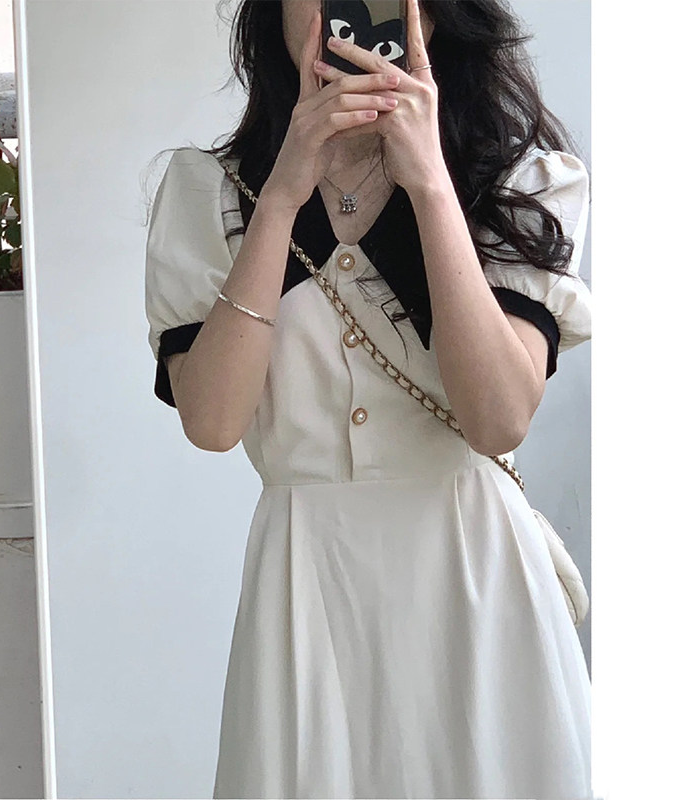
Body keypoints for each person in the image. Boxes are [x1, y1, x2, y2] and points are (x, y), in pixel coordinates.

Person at [144, 0, 593, 797]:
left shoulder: (516, 183)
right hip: (308, 586)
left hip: (475, 579)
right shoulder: (209, 192)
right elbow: (211, 423)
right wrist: (282, 197)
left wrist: (429, 183)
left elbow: (498, 419)